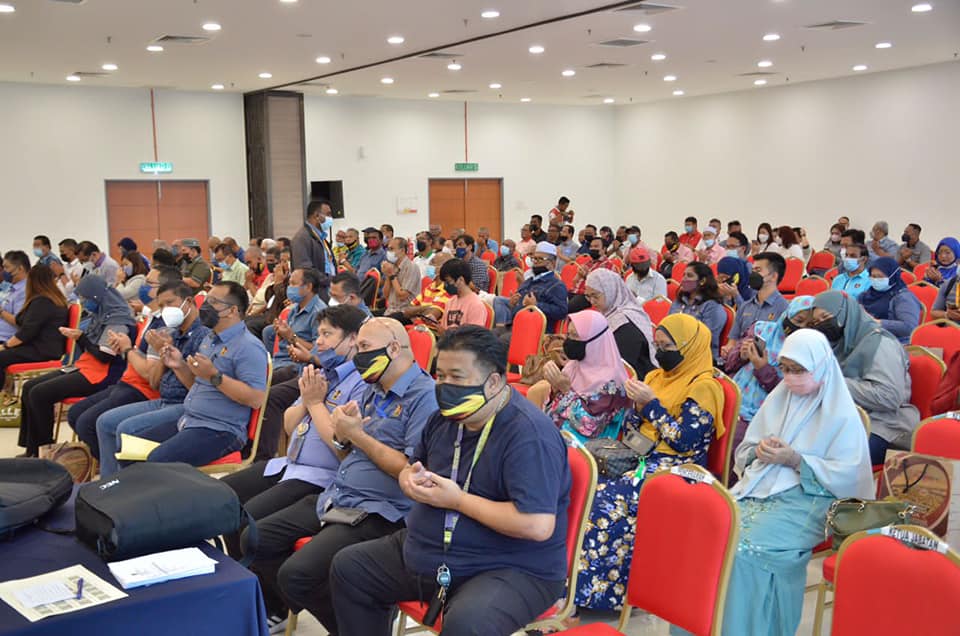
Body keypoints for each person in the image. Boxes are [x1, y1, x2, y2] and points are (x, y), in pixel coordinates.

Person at [330, 325, 571, 636]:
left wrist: (458, 501)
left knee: (468, 624)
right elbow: (412, 469)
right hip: (433, 549)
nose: (444, 386)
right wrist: (409, 481)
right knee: (350, 569)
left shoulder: (529, 435)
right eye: (440, 376)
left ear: (493, 382)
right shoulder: (445, 418)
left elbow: (537, 525)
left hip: (510, 565)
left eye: (457, 377)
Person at [243, 318, 437, 634]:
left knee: (298, 575)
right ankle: (354, 622)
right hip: (338, 494)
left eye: (365, 347)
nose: (359, 355)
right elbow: (348, 453)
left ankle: (361, 623)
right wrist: (344, 438)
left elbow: (411, 471)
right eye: (357, 346)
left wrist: (357, 436)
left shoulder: (424, 396)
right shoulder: (374, 389)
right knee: (255, 537)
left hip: (379, 509)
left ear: (393, 348)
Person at [722, 329, 873, 636]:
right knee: (717, 534)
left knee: (746, 550)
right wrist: (759, 452)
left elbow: (848, 478)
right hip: (761, 487)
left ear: (820, 367)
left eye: (798, 370)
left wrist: (796, 460)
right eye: (785, 369)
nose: (790, 377)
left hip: (815, 499)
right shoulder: (779, 399)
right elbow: (746, 449)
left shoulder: (842, 416)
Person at [575, 313, 723, 610]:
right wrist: (637, 406)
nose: (660, 352)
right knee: (582, 482)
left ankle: (599, 593)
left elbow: (684, 440)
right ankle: (571, 582)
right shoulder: (656, 377)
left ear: (689, 347)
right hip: (642, 454)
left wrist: (651, 405)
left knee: (604, 500)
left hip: (677, 465)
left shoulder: (704, 386)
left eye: (668, 346)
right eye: (657, 345)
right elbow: (635, 426)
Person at [220, 305, 368, 559]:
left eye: (327, 334)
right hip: (288, 464)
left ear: (353, 338)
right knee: (224, 496)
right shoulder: (322, 373)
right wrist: (307, 401)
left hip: (321, 477)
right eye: (318, 334)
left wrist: (314, 403)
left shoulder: (361, 382)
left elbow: (341, 445)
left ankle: (256, 577)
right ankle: (238, 571)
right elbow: (288, 425)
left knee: (247, 517)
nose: (318, 342)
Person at [106, 281, 269, 469]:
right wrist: (179, 365)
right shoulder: (210, 339)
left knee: (155, 463)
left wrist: (215, 376)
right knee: (129, 450)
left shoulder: (248, 347)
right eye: (206, 301)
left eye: (213, 302)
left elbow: (256, 399)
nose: (205, 307)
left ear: (232, 311)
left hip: (220, 430)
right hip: (191, 419)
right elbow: (196, 384)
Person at [78, 282, 208, 470]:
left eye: (170, 303)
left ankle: (128, 483)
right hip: (164, 399)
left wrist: (177, 363)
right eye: (161, 306)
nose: (166, 310)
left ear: (188, 302)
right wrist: (162, 352)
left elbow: (199, 390)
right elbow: (155, 382)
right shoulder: (169, 333)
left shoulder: (203, 336)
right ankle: (111, 481)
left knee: (126, 430)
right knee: (104, 422)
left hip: (185, 404)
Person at [17, 274, 136, 457]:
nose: (83, 302)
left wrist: (81, 338)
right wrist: (79, 337)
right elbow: (93, 348)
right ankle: (32, 449)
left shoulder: (117, 320)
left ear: (96, 296)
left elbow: (105, 356)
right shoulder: (100, 314)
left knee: (39, 393)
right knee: (29, 387)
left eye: (85, 298)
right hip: (86, 366)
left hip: (103, 374)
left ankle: (45, 451)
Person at [811, 291, 919, 465]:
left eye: (826, 317)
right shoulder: (839, 345)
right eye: (816, 322)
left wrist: (834, 382)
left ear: (846, 313)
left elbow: (889, 397)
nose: (822, 324)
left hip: (885, 425)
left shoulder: (881, 343)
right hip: (847, 419)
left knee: (831, 458)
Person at [724, 296, 815, 454]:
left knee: (732, 443)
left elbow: (789, 393)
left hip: (762, 414)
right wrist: (741, 355)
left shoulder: (807, 351)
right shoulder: (761, 329)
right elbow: (729, 365)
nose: (801, 328)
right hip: (733, 397)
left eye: (809, 325)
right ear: (788, 314)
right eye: (798, 320)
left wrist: (763, 368)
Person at [528, 309, 633, 442]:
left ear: (595, 341)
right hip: (558, 429)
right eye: (569, 334)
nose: (569, 340)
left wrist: (566, 390)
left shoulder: (610, 381)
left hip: (585, 441)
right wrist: (555, 386)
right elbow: (555, 407)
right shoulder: (575, 365)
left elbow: (590, 426)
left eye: (575, 336)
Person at [0, 265, 68, 401]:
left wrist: (5, 346)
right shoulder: (49, 299)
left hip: (42, 350)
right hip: (42, 347)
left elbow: (26, 332)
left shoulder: (43, 301)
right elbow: (22, 321)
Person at [585, 269, 657, 378]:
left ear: (610, 291)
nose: (592, 301)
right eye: (588, 296)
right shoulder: (609, 313)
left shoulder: (625, 321)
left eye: (595, 296)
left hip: (636, 379)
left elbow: (620, 364)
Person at [723, 252, 789, 358]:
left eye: (758, 270)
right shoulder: (745, 306)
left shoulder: (784, 309)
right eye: (752, 270)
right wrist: (727, 350)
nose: (753, 275)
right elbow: (732, 341)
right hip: (740, 362)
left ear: (773, 276)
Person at [492, 243, 567, 328]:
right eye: (534, 259)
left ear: (552, 263)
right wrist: (514, 302)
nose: (535, 262)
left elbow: (561, 311)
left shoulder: (556, 285)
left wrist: (536, 305)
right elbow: (520, 303)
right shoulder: (529, 281)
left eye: (540, 259)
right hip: (515, 324)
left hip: (534, 330)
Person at [669, 262, 727, 364]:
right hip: (674, 350)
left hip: (699, 358)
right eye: (684, 275)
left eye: (690, 276)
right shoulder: (679, 300)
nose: (684, 279)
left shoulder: (712, 306)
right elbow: (668, 325)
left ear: (702, 281)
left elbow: (706, 338)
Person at [858, 257, 923, 343]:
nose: (876, 280)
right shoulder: (865, 295)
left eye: (880, 277)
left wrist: (877, 323)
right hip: (866, 338)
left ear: (892, 276)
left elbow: (909, 327)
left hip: (895, 342)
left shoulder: (903, 297)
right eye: (873, 276)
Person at [439, 259, 488, 332]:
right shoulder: (450, 302)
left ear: (461, 280)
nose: (446, 286)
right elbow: (444, 328)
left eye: (448, 281)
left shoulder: (476, 305)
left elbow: (473, 336)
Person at [381, 237, 421, 313]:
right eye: (388, 249)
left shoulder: (412, 267)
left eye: (391, 249)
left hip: (405, 311)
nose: (389, 252)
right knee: (366, 316)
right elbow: (386, 295)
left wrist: (392, 275)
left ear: (402, 250)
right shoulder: (392, 266)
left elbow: (402, 296)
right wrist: (388, 275)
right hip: (391, 309)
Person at [0, 251, 30, 345]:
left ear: (20, 268)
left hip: (7, 341)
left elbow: (19, 322)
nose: (3, 271)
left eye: (6, 267)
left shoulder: (25, 291)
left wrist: (1, 312)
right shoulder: (12, 288)